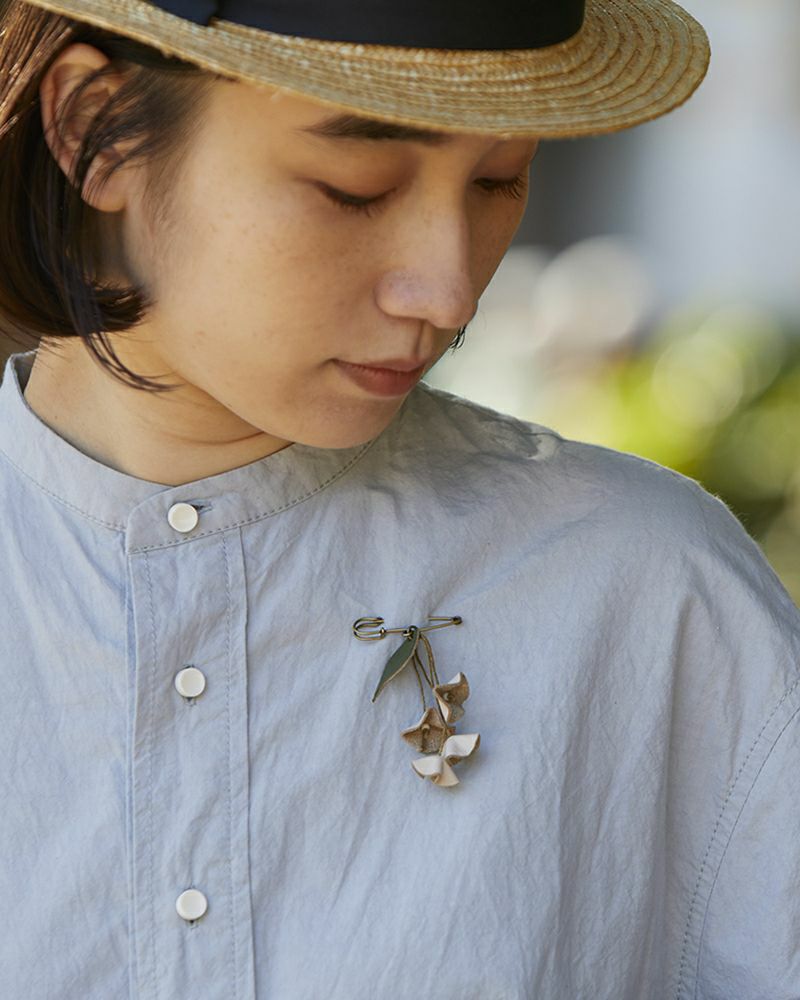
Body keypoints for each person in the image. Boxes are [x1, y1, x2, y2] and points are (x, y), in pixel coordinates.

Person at [0, 1, 797, 998]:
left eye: (500, 179)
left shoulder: (648, 594)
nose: (450, 292)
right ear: (94, 127)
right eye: (357, 187)